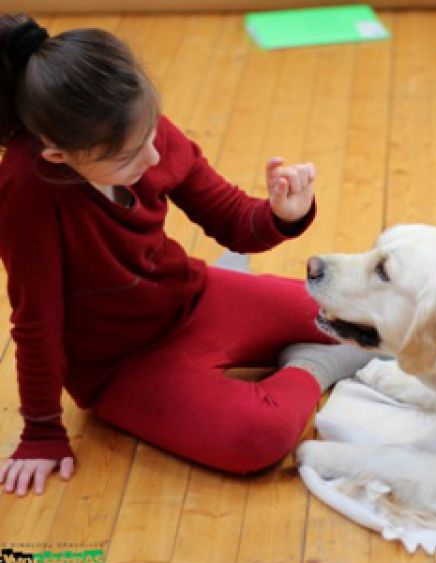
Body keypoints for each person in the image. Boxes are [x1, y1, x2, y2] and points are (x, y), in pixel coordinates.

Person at [0, 14, 375, 497]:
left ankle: (303, 354)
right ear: (58, 155)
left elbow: (230, 218)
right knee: (259, 438)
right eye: (130, 156)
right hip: (123, 365)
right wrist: (42, 429)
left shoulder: (136, 125)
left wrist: (282, 213)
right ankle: (313, 366)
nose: (154, 157)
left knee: (361, 315)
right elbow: (37, 321)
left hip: (193, 298)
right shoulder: (27, 190)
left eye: (152, 132)